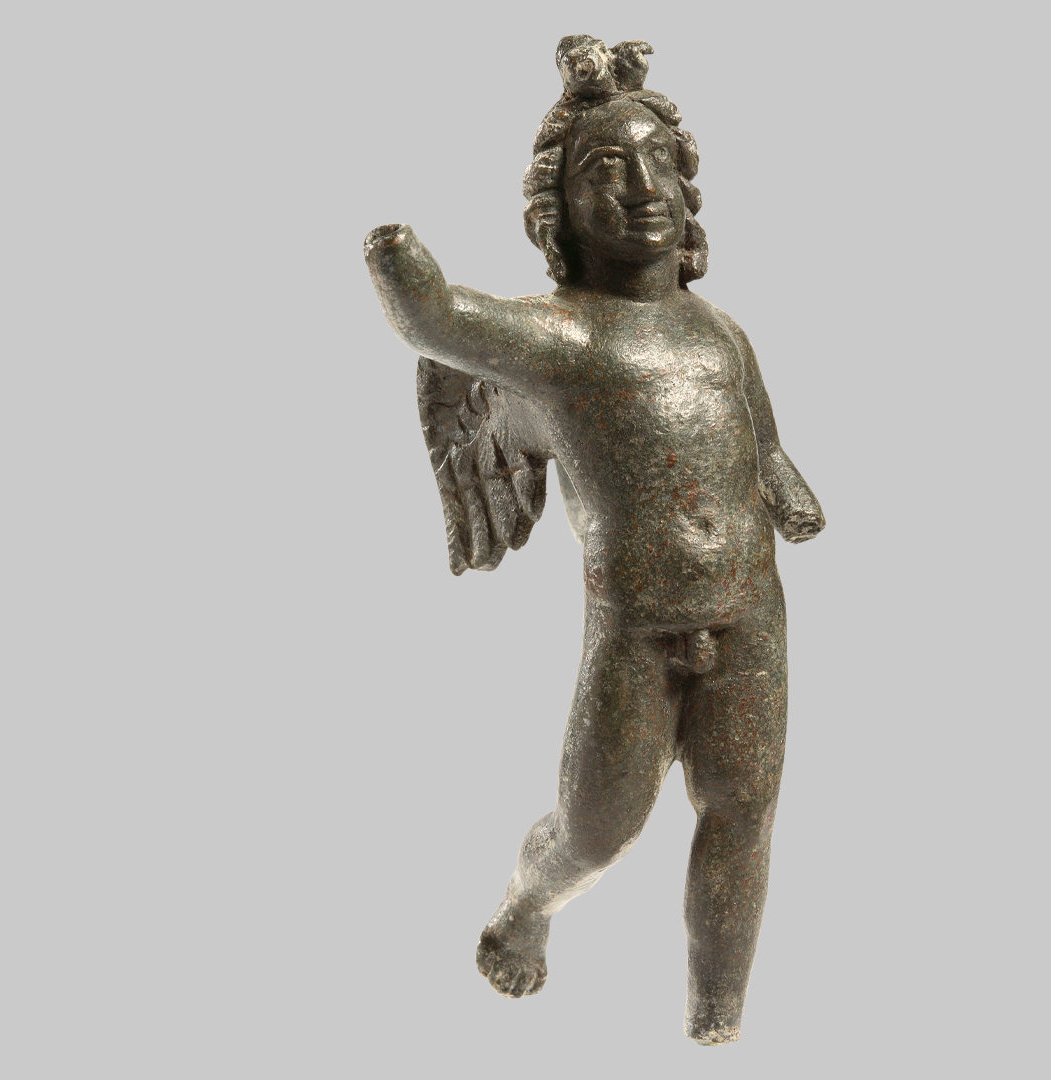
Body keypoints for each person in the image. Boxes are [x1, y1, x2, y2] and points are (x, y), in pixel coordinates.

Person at [364, 36, 824, 1045]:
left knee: (744, 812)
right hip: (636, 632)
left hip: (752, 614)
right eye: (607, 170)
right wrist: (399, 262)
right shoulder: (561, 338)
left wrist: (787, 487)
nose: (643, 189)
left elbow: (759, 436)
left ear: (690, 188)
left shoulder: (720, 331)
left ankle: (716, 1017)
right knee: (597, 830)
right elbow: (437, 320)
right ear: (559, 210)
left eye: (659, 162)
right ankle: (526, 907)